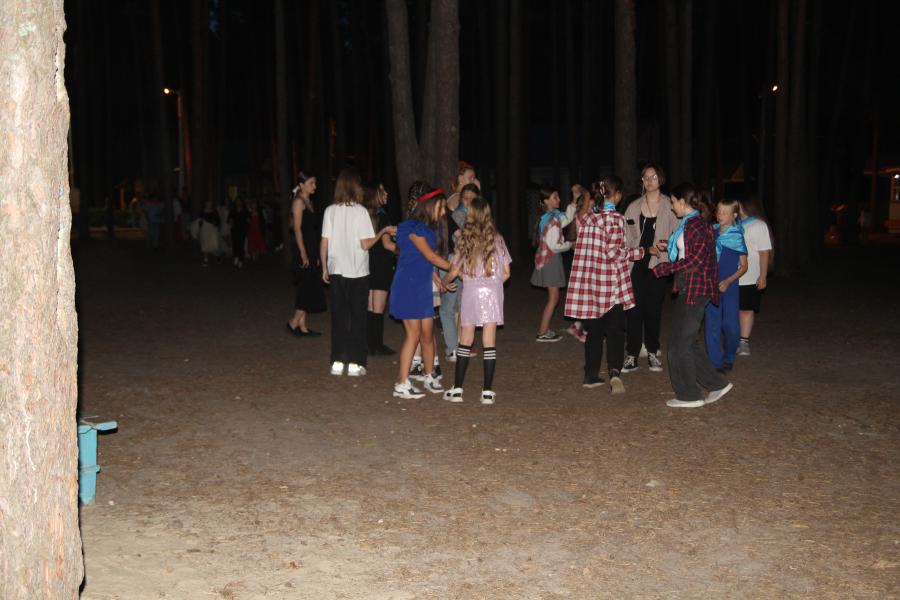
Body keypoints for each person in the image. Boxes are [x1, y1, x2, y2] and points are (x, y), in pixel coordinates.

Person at [650, 182, 733, 408]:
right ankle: (716, 384)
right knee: (689, 342)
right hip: (692, 287)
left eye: (673, 202)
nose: (672, 206)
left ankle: (689, 395)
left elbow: (695, 260)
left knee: (678, 345)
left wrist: (664, 268)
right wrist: (669, 246)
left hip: (695, 288)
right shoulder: (691, 223)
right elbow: (690, 250)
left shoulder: (695, 225)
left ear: (682, 202)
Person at [565, 176, 643, 394]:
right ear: (617, 195)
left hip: (592, 285)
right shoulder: (616, 219)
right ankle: (615, 373)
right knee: (615, 331)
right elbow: (614, 252)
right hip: (612, 286)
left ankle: (590, 375)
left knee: (594, 332)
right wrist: (640, 252)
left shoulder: (590, 217)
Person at [320, 168, 394, 376]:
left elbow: (324, 241)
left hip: (337, 270)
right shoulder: (361, 212)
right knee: (358, 317)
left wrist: (324, 267)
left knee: (339, 317)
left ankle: (337, 360)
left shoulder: (330, 211)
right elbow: (365, 244)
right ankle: (355, 362)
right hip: (358, 273)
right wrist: (383, 232)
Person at [440, 197, 511, 404]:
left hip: (471, 292)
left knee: (465, 340)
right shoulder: (497, 239)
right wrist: (492, 283)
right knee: (489, 342)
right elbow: (506, 273)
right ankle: (487, 392)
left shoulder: (465, 239)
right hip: (492, 294)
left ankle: (457, 390)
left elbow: (454, 270)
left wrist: (444, 282)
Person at [389, 182, 454, 399]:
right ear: (429, 205)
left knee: (427, 333)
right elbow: (430, 256)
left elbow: (425, 262)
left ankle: (429, 375)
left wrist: (438, 279)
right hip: (407, 286)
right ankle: (401, 383)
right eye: (441, 207)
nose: (443, 213)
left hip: (422, 286)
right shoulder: (411, 227)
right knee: (413, 334)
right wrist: (456, 269)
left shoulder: (426, 229)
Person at [622, 163, 678, 373]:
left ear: (660, 179)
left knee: (653, 309)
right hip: (635, 264)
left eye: (653, 177)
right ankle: (632, 354)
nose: (649, 181)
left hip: (658, 264)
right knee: (633, 310)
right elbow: (626, 237)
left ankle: (652, 351)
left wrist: (668, 246)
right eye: (645, 177)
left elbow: (678, 236)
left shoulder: (670, 205)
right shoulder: (633, 206)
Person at [705, 199, 748, 373]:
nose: (720, 215)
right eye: (718, 211)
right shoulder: (711, 232)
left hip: (730, 286)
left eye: (724, 212)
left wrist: (728, 281)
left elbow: (744, 266)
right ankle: (715, 362)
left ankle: (729, 356)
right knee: (712, 324)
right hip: (711, 284)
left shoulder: (737, 236)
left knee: (731, 325)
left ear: (734, 215)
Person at [440, 181, 481, 362]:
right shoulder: (457, 215)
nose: (468, 202)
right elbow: (459, 240)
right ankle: (456, 345)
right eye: (465, 198)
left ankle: (461, 344)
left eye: (472, 199)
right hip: (457, 261)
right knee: (455, 305)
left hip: (468, 263)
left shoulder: (478, 216)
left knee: (463, 304)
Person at [530, 188, 576, 342]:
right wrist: (570, 244)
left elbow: (567, 218)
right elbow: (554, 246)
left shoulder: (551, 217)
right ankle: (542, 332)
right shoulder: (552, 220)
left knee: (553, 297)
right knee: (553, 298)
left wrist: (574, 201)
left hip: (549, 259)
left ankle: (543, 330)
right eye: (555, 197)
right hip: (550, 260)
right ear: (546, 201)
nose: (559, 200)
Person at [287, 172, 325, 336]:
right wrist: (303, 253)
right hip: (303, 249)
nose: (314, 186)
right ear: (301, 185)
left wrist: (315, 253)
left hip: (311, 248)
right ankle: (293, 322)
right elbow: (297, 229)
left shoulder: (308, 202)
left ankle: (302, 326)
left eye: (315, 183)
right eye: (311, 183)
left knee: (306, 286)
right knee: (307, 286)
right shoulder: (298, 202)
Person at [737, 197, 773, 356]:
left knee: (746, 309)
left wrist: (763, 276)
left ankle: (744, 341)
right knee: (734, 309)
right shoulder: (732, 224)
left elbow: (764, 252)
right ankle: (734, 339)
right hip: (731, 275)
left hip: (750, 275)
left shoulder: (758, 225)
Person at [365, 183, 398, 355]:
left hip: (367, 263)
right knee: (378, 307)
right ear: (375, 194)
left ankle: (369, 343)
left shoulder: (365, 214)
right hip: (381, 264)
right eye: (383, 191)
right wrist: (405, 250)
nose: (386, 193)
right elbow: (387, 244)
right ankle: (376, 345)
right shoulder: (382, 217)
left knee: (371, 306)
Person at [563, 184, 592, 343]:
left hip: (585, 262)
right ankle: (584, 331)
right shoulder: (581, 217)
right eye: (589, 205)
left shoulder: (586, 218)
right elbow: (586, 198)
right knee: (587, 296)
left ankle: (577, 325)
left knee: (583, 295)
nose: (591, 208)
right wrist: (584, 190)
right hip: (584, 263)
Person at [229, 197, 249, 268]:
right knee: (235, 244)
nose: (238, 203)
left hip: (242, 230)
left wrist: (247, 223)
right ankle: (236, 257)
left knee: (241, 245)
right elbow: (230, 218)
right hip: (234, 230)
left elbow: (248, 219)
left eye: (240, 201)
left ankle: (241, 260)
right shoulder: (233, 210)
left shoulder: (245, 210)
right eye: (237, 201)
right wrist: (231, 222)